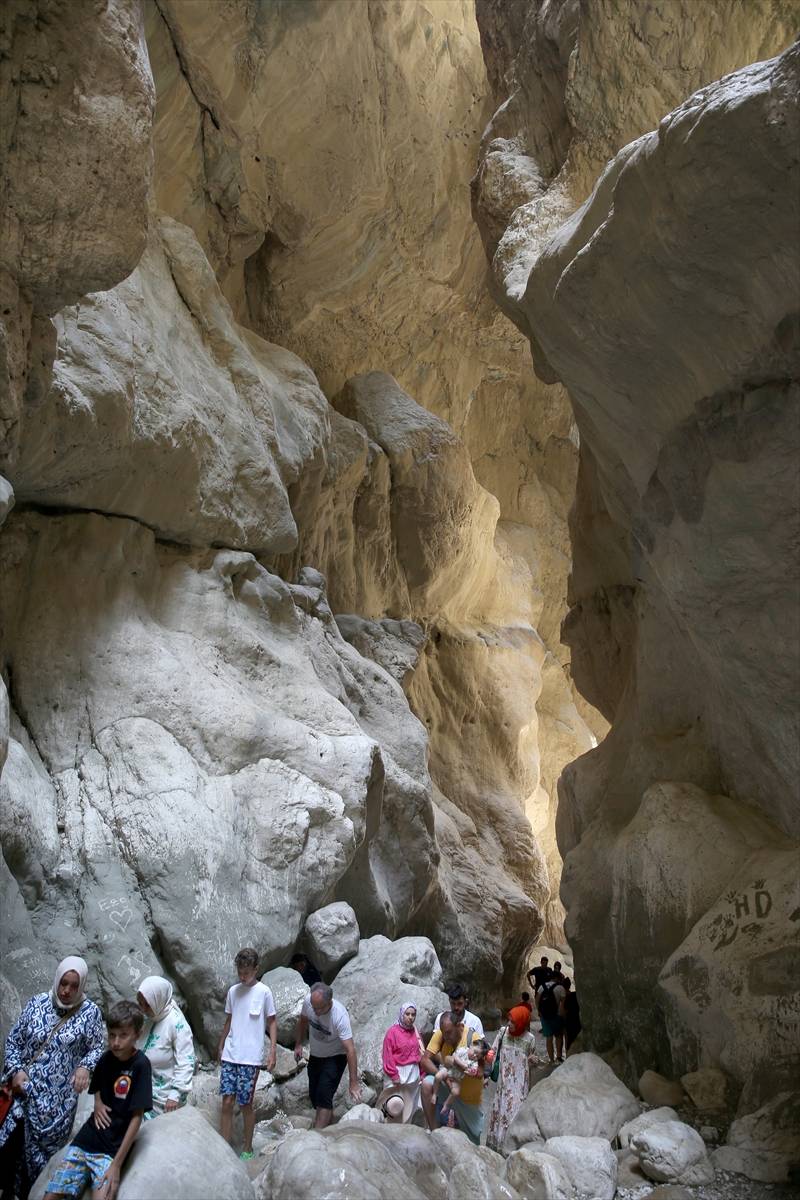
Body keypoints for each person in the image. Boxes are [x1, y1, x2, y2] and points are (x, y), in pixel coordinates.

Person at [0, 956, 105, 1199]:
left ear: (82, 986)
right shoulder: (37, 1004)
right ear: (57, 979)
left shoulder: (90, 1014)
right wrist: (16, 1070)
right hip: (22, 1096)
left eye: (74, 986)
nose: (67, 991)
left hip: (55, 1108)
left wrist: (85, 1067)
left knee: (38, 1170)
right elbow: (14, 1041)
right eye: (63, 983)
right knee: (7, 1153)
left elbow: (97, 1048)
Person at [41, 999, 152, 1200]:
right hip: (86, 1140)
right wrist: (98, 1102)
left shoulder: (141, 1065)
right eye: (112, 1035)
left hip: (110, 1150)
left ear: (137, 1034)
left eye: (123, 1036)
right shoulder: (105, 1058)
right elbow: (98, 1084)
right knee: (50, 1197)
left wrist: (117, 1164)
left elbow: (137, 1116)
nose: (116, 1042)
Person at [217, 948, 277, 1161]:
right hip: (231, 1054)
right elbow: (229, 1019)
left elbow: (271, 1022)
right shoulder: (233, 991)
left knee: (245, 1103)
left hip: (250, 1057)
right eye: (240, 972)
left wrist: (272, 1052)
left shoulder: (264, 992)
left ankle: (247, 1147)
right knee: (226, 1101)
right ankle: (224, 1147)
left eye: (247, 972)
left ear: (256, 969)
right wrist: (222, 1042)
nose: (243, 976)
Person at [294, 982, 361, 1128]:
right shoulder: (309, 1002)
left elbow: (350, 1050)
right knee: (315, 1095)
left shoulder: (339, 1015)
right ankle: (329, 1128)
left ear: (329, 1002)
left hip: (336, 1056)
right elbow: (303, 1020)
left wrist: (353, 1083)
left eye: (319, 1008)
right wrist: (298, 1043)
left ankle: (319, 1135)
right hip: (316, 1054)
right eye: (313, 1007)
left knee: (324, 1094)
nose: (315, 1011)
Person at [135, 976, 196, 1118]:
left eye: (147, 1004)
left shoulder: (176, 1024)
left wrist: (175, 1094)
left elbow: (186, 1061)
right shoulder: (150, 1019)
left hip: (166, 1098)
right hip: (145, 1090)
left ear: (159, 999)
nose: (143, 1009)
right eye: (140, 1004)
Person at [422, 1012, 484, 1145]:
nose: (445, 1036)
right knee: (427, 1084)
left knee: (473, 1140)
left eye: (449, 1033)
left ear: (459, 1026)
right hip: (450, 1084)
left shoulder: (473, 1038)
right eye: (443, 1033)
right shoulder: (442, 1034)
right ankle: (435, 1135)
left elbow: (482, 1071)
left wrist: (463, 1067)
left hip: (468, 1094)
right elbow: (424, 1060)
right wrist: (445, 1078)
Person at [486, 1004, 539, 1151]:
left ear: (522, 1022)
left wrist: (532, 1061)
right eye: (509, 1020)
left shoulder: (530, 1039)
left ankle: (511, 1148)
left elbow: (530, 1063)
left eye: (513, 1022)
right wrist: (485, 1074)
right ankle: (497, 1146)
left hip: (519, 1087)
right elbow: (493, 1052)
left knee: (514, 1117)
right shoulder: (503, 1033)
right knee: (501, 1114)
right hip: (504, 1085)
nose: (509, 1024)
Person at [377, 1002, 433, 1124]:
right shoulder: (392, 1032)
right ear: (402, 1014)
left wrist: (422, 1073)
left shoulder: (415, 1032)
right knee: (391, 1103)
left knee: (409, 1106)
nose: (410, 1017)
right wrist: (394, 1074)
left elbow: (420, 1053)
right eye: (407, 1014)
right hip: (397, 1072)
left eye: (413, 1014)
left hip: (413, 1075)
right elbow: (387, 1055)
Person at [437, 1038, 491, 1116]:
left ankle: (446, 1105)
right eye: (474, 1052)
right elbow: (449, 1059)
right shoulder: (463, 1050)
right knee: (439, 1076)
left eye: (477, 1056)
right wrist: (462, 1065)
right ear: (471, 1046)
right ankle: (436, 1095)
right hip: (451, 1074)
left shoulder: (475, 1060)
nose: (474, 1055)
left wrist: (471, 1071)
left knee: (455, 1093)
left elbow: (479, 1073)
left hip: (463, 1087)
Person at [538, 974, 566, 1064]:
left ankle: (551, 1060)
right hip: (556, 1015)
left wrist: (539, 1012)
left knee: (548, 1038)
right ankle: (559, 1057)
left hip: (544, 1015)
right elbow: (563, 1003)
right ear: (557, 978)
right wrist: (562, 1015)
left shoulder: (542, 987)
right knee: (558, 1036)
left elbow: (537, 999)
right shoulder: (560, 988)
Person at [560, 977, 582, 1051]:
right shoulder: (576, 995)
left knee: (568, 1040)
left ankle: (568, 1056)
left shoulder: (565, 997)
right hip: (578, 1020)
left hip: (569, 1021)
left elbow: (563, 1011)